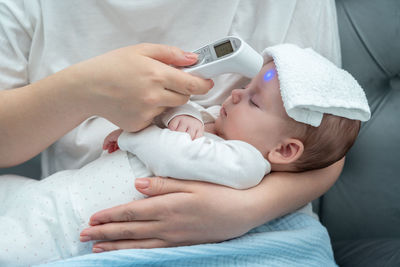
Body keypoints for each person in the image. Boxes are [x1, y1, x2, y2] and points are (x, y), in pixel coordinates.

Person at [0, 0, 343, 256]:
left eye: (253, 100)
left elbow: (324, 146)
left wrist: (245, 210)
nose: (238, 92)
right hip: (80, 199)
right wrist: (82, 91)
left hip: (256, 229)